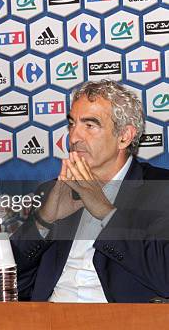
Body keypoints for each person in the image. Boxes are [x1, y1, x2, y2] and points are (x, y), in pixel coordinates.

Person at [11, 80, 169, 303]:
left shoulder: (160, 189)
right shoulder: (54, 191)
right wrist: (43, 221)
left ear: (124, 136)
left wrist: (106, 213)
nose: (74, 138)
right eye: (72, 124)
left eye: (90, 125)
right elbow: (9, 283)